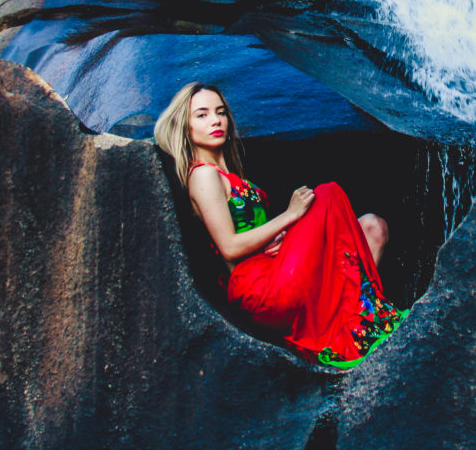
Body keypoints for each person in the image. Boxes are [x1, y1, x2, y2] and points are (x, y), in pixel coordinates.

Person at [153, 81, 405, 367]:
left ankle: (353, 321)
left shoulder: (231, 176)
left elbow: (250, 233)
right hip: (260, 291)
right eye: (202, 115)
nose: (215, 120)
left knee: (372, 227)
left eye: (220, 112)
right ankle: (360, 323)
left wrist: (281, 236)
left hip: (276, 270)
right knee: (327, 193)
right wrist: (290, 215)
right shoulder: (203, 176)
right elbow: (230, 247)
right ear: (185, 127)